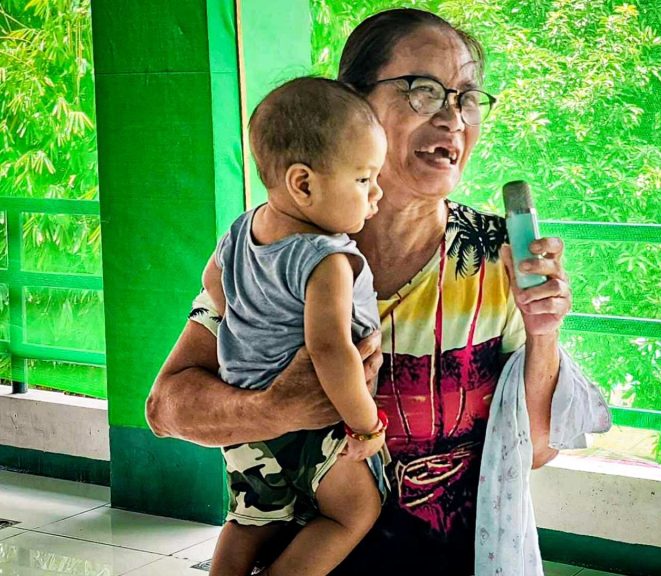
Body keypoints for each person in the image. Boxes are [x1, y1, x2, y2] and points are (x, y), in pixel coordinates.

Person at [147, 8, 574, 575]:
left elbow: (538, 449)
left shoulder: (495, 256)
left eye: (467, 98)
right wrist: (272, 408)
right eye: (424, 91)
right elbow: (166, 409)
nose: (453, 118)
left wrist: (543, 332)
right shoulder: (272, 249)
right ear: (354, 103)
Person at [202, 77, 389, 576]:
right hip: (311, 427)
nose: (377, 193)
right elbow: (329, 351)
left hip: (244, 417)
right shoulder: (326, 258)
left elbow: (213, 283)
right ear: (303, 183)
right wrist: (366, 424)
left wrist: (246, 328)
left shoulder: (243, 228)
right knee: (354, 511)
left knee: (249, 518)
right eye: (364, 179)